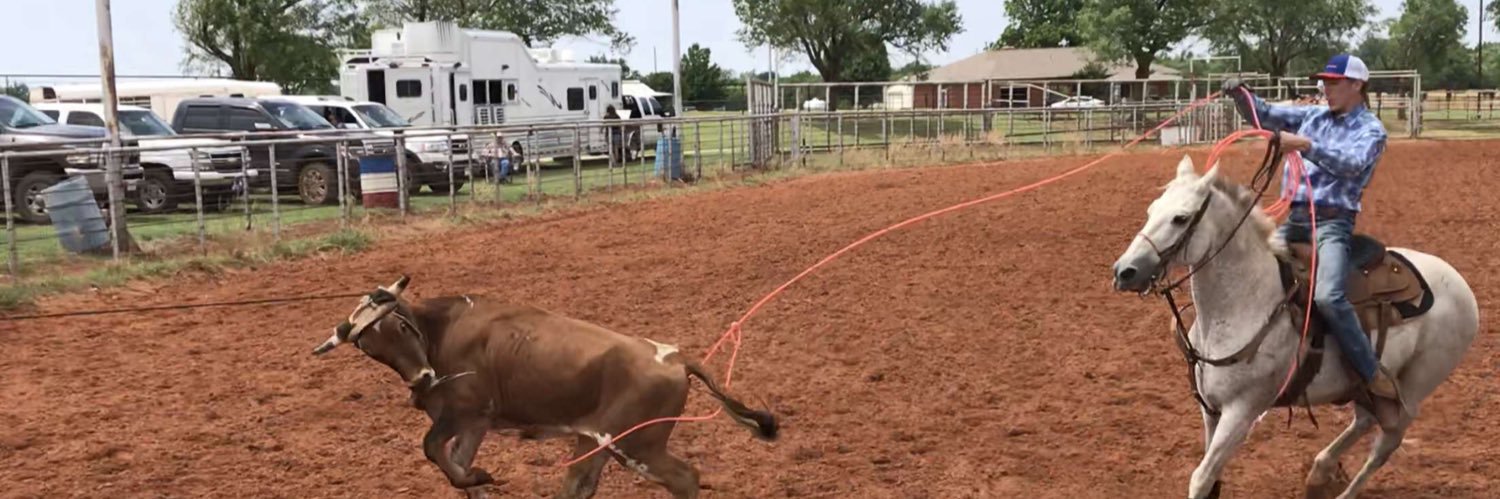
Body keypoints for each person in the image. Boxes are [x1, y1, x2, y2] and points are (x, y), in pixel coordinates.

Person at [1223, 54, 1401, 407]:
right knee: (1249, 272)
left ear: (1357, 85)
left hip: (1332, 223)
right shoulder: (1312, 115)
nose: (1326, 88)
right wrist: (1240, 95)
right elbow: (1265, 115)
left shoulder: (1371, 130)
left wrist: (1305, 145)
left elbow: (1351, 166)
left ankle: (1370, 372)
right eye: (1325, 82)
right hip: (1297, 219)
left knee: (1328, 296)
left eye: (1334, 83)